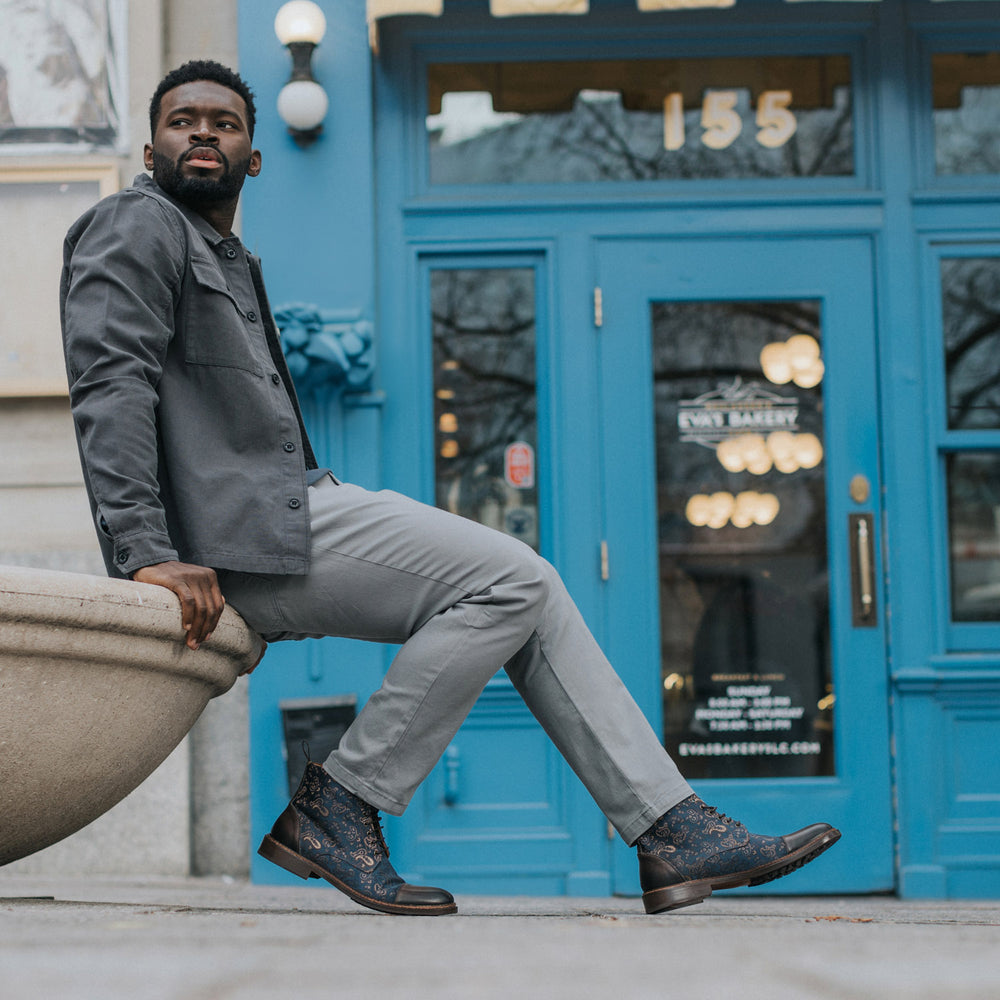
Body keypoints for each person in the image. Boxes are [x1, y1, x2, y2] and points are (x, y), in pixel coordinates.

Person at [60, 60, 840, 917]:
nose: (201, 132)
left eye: (223, 123)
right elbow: (111, 384)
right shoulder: (138, 224)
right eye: (181, 121)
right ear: (149, 145)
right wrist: (147, 554)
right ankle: (343, 802)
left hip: (276, 513)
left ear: (254, 160)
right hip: (238, 531)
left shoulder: (226, 255)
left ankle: (669, 829)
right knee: (512, 577)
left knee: (527, 591)